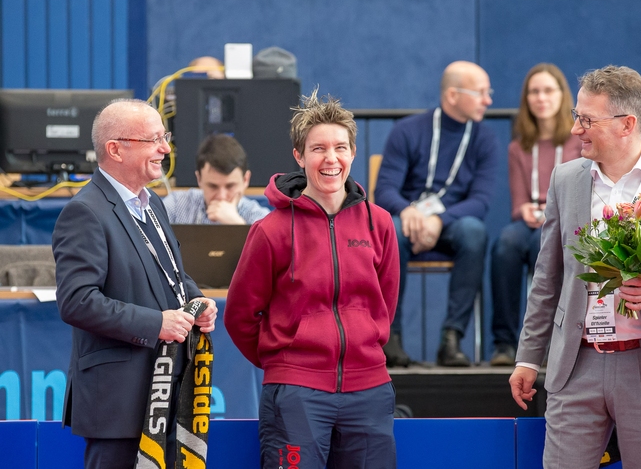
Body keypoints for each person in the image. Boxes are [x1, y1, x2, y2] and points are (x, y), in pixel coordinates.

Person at [509, 65, 641, 468]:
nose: (575, 129)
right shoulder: (565, 179)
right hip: (577, 362)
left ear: (627, 124)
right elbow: (548, 277)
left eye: (586, 119)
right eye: (577, 116)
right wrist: (527, 358)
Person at [224, 89, 400, 468]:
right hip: (296, 393)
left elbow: (384, 304)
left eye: (340, 147)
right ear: (299, 156)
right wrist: (286, 358)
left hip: (369, 388)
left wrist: (364, 347)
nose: (330, 158)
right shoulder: (270, 231)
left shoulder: (379, 223)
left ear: (352, 153)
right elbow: (239, 315)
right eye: (318, 149)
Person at [52, 99, 218, 469]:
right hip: (119, 403)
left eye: (165, 137)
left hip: (168, 395)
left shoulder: (153, 204)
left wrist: (197, 299)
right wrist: (156, 323)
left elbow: (169, 273)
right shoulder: (84, 211)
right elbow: (77, 301)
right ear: (116, 149)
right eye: (154, 139)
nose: (165, 148)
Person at [375, 60, 500, 367]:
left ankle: (451, 339)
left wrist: (437, 220)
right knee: (390, 230)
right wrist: (408, 212)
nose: (488, 100)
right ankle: (390, 337)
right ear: (453, 95)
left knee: (474, 231)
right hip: (407, 222)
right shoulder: (407, 131)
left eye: (489, 92)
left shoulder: (484, 140)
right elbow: (385, 190)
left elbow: (481, 201)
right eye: (481, 92)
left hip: (452, 224)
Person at [489, 64, 581, 366]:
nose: (541, 98)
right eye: (534, 92)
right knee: (505, 245)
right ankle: (503, 343)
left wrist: (553, 212)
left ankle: (548, 343)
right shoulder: (518, 147)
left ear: (562, 96)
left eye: (548, 91)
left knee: (540, 247)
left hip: (565, 219)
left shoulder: (578, 141)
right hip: (530, 221)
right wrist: (525, 210)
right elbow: (517, 203)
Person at [162, 134, 270, 224]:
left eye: (230, 186)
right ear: (199, 179)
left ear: (245, 180)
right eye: (213, 186)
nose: (221, 196)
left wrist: (237, 225)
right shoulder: (175, 206)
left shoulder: (261, 218)